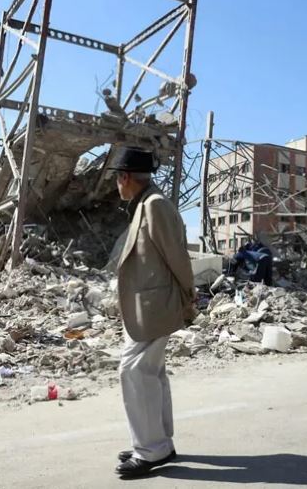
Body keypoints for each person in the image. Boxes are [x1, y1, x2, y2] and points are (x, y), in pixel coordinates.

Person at [109, 147, 195, 478]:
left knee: (134, 371)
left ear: (126, 177)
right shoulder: (145, 203)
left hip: (155, 306)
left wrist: (188, 298)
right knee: (150, 372)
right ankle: (158, 442)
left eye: (118, 178)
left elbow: (177, 256)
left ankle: (151, 450)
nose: (117, 184)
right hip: (145, 306)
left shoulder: (155, 205)